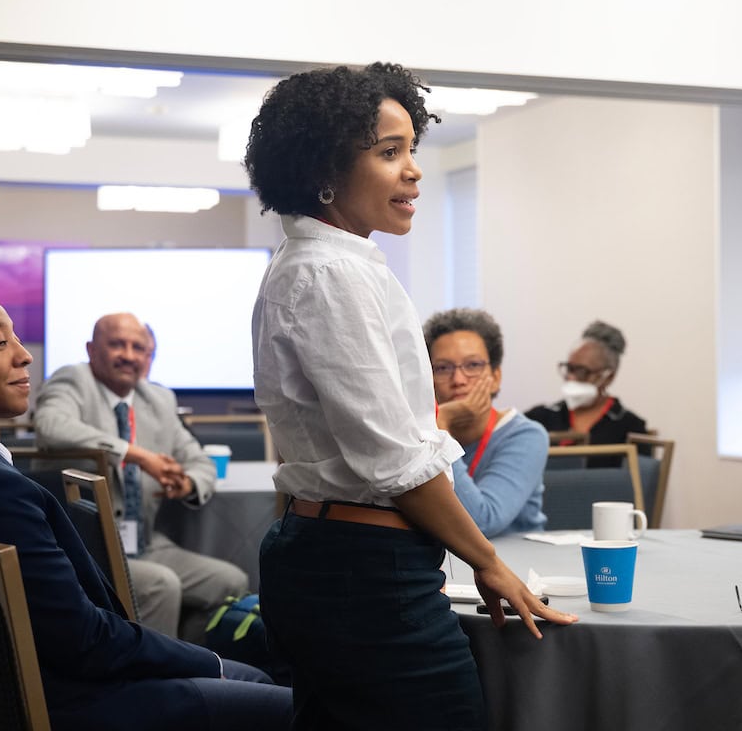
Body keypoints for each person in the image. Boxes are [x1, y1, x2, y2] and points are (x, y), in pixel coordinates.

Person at [247, 62, 576, 730]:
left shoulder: (330, 264)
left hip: (339, 559)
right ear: (325, 170)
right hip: (363, 573)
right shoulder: (331, 274)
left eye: (412, 150)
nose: (414, 171)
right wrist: (488, 562)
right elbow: (393, 461)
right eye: (389, 153)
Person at [0, 289, 291, 731]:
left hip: (15, 683)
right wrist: (208, 662)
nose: (24, 356)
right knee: (270, 689)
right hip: (70, 698)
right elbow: (85, 641)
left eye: (17, 340)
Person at [35, 312, 248, 637]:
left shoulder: (158, 399)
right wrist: (136, 455)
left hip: (144, 543)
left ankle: (191, 659)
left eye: (138, 348)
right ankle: (152, 667)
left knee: (230, 582)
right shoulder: (72, 379)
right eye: (117, 345)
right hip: (84, 548)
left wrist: (187, 483)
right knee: (162, 585)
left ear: (148, 356)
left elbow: (200, 462)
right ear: (92, 350)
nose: (129, 355)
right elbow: (52, 427)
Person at [423, 308, 548, 537]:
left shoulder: (526, 435)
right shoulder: (422, 436)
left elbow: (483, 523)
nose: (458, 380)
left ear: (495, 377)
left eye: (472, 365)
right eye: (442, 368)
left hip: (516, 556)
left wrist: (443, 426)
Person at [526, 319, 650, 468]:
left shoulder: (630, 428)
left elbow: (638, 480)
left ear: (608, 377)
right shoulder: (539, 419)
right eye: (569, 368)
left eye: (582, 371)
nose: (571, 377)